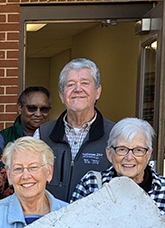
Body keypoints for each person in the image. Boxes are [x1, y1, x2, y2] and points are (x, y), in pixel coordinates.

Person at [36, 58, 115, 202]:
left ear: (98, 92)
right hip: (51, 220)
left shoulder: (114, 135)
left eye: (85, 83)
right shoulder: (42, 134)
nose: (78, 89)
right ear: (61, 95)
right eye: (70, 84)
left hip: (95, 221)